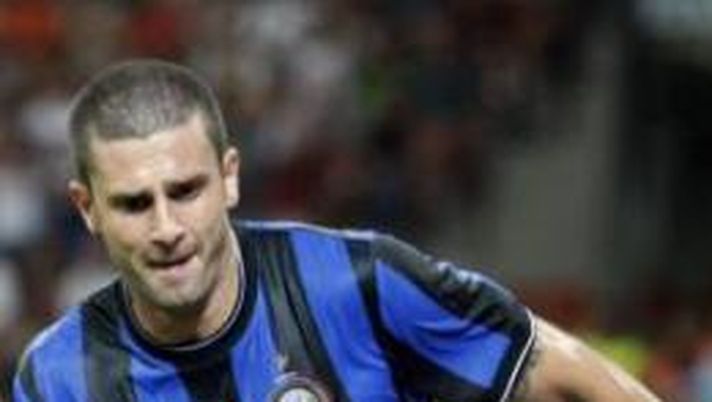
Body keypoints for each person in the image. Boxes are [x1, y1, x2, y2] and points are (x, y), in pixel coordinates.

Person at [12, 59, 662, 402]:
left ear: (229, 178)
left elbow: (558, 368)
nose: (166, 227)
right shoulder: (59, 379)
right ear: (87, 209)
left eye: (186, 192)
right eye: (133, 204)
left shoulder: (357, 284)